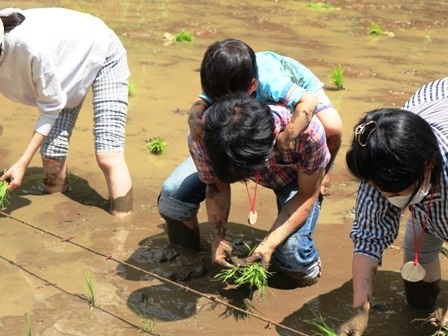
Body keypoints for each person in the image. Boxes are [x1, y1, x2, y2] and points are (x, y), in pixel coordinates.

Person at [159, 92, 330, 285]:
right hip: (226, 158)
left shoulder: (308, 134)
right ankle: (189, 252)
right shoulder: (202, 135)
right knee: (173, 198)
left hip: (294, 178)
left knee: (296, 263)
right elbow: (216, 185)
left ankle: (307, 263)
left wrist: (268, 245)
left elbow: (307, 193)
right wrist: (218, 238)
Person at [338, 77, 448, 335]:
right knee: (418, 296)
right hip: (429, 199)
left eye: (396, 193)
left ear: (428, 165)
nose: (387, 200)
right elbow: (368, 238)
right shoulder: (379, 161)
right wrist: (360, 311)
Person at [0, 7, 132, 216]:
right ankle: (57, 212)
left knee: (108, 154)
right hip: (64, 66)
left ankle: (121, 227)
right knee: (52, 155)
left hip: (100, 49)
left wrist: (22, 163)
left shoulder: (31, 48)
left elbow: (50, 108)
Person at [187, 38, 342, 196]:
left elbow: (308, 101)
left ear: (253, 85)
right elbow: (202, 101)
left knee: (332, 127)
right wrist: (193, 119)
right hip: (252, 93)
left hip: (304, 89)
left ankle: (324, 170)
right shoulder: (221, 80)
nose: (224, 104)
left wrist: (289, 135)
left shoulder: (271, 82)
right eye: (219, 99)